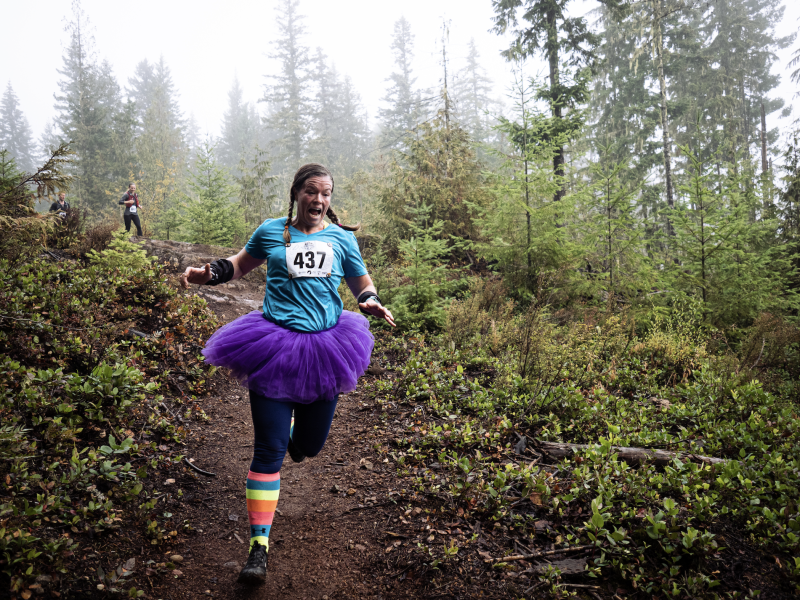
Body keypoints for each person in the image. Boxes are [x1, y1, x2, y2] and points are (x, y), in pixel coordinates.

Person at [180, 163, 395, 585]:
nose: (319, 200)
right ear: (296, 193)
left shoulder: (341, 239)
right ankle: (258, 548)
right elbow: (238, 265)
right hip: (272, 347)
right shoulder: (272, 231)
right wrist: (209, 275)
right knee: (269, 451)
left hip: (327, 349)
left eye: (326, 193)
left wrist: (369, 301)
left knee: (309, 446)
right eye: (312, 192)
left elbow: (361, 284)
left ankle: (296, 436)